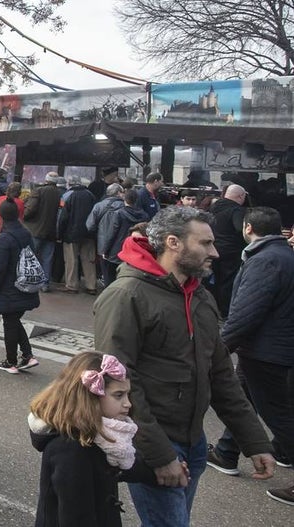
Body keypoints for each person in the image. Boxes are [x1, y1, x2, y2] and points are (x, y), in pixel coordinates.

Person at [94, 206, 276, 525]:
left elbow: (220, 375)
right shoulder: (126, 295)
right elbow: (119, 384)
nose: (215, 252)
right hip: (154, 443)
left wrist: (254, 441)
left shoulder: (199, 296)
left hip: (193, 442)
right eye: (205, 243)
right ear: (173, 242)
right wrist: (160, 455)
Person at [209, 206, 294, 505]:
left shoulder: (265, 261)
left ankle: (281, 451)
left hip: (266, 353)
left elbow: (245, 314)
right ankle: (227, 452)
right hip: (269, 349)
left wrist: (216, 352)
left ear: (247, 228)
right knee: (241, 401)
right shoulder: (284, 255)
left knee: (280, 416)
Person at [28, 351, 155, 526]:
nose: (128, 403)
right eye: (119, 395)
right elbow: (76, 517)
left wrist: (158, 474)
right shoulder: (71, 448)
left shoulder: (100, 434)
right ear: (90, 396)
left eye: (128, 394)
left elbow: (122, 465)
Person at [0, 199, 41, 374]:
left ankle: (11, 360)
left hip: (10, 286)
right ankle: (27, 356)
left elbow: (0, 266)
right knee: (13, 320)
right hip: (26, 284)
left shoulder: (6, 237)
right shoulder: (26, 233)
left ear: (1, 215)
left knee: (9, 323)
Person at [209, 183, 248, 317]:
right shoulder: (237, 210)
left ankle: (213, 309)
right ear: (241, 196)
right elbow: (239, 229)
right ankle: (225, 312)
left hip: (213, 249)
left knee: (214, 280)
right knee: (228, 282)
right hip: (231, 253)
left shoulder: (213, 207)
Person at [97, 189, 148, 288]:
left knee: (110, 280)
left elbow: (111, 234)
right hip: (134, 251)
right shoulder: (145, 216)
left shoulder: (118, 214)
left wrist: (105, 250)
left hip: (116, 251)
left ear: (125, 199)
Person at [58, 176, 98, 294]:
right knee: (88, 259)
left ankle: (72, 285)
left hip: (71, 233)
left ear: (70, 184)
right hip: (88, 233)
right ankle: (91, 286)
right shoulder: (91, 195)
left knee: (71, 260)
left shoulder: (67, 195)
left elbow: (63, 217)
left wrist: (60, 233)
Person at [23, 172, 62, 287]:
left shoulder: (39, 191)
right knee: (47, 258)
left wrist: (23, 215)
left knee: (31, 256)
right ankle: (45, 284)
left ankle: (30, 280)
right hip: (51, 231)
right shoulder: (59, 193)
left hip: (36, 229)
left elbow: (30, 209)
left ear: (46, 180)